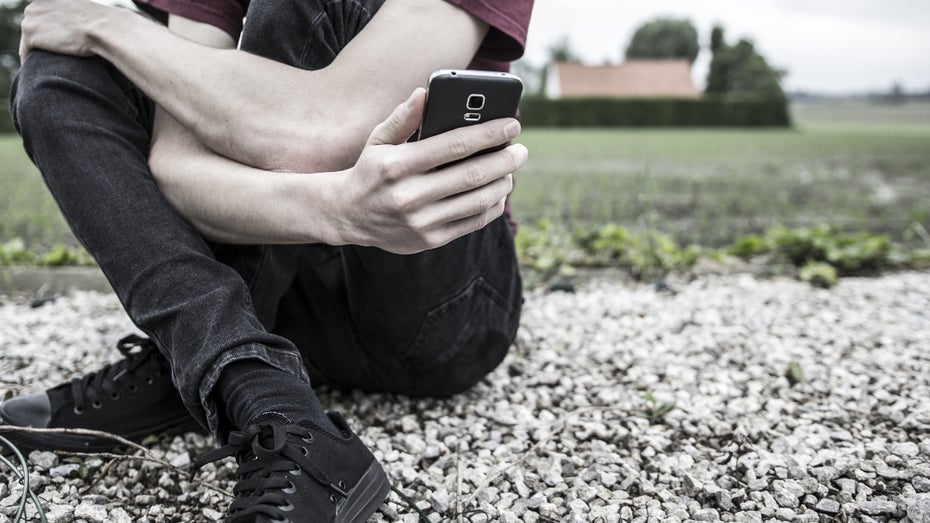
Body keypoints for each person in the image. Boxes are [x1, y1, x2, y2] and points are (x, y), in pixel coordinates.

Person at [0, 0, 532, 520]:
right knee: (59, 75)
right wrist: (336, 209)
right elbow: (178, 170)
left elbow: (322, 131)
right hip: (276, 295)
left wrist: (104, 25)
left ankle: (199, 341)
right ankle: (241, 376)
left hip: (432, 311)